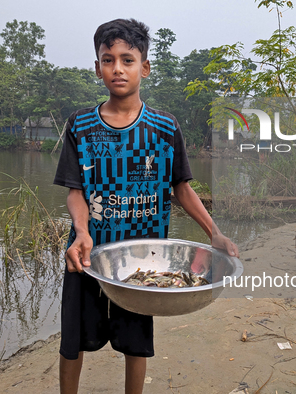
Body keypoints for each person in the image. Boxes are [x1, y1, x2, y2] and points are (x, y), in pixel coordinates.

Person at [53, 18, 238, 394]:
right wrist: (82, 232)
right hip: (86, 254)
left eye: (127, 59)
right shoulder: (80, 125)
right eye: (108, 60)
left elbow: (180, 188)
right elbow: (75, 189)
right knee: (72, 340)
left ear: (145, 67)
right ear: (97, 67)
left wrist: (213, 231)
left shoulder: (164, 128)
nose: (117, 69)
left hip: (142, 258)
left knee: (136, 343)